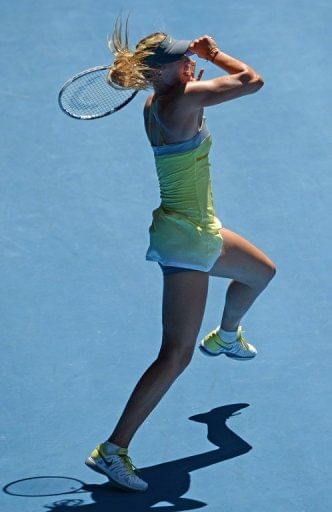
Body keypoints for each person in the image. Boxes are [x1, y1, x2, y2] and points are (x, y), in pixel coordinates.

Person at [85, 20, 276, 493]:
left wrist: (192, 62)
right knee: (174, 355)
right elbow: (253, 80)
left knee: (261, 272)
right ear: (163, 72)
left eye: (189, 55)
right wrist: (215, 54)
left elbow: (191, 83)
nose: (189, 58)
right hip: (188, 242)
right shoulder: (182, 98)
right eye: (181, 58)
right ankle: (113, 449)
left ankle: (225, 336)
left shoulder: (158, 100)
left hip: (195, 229)